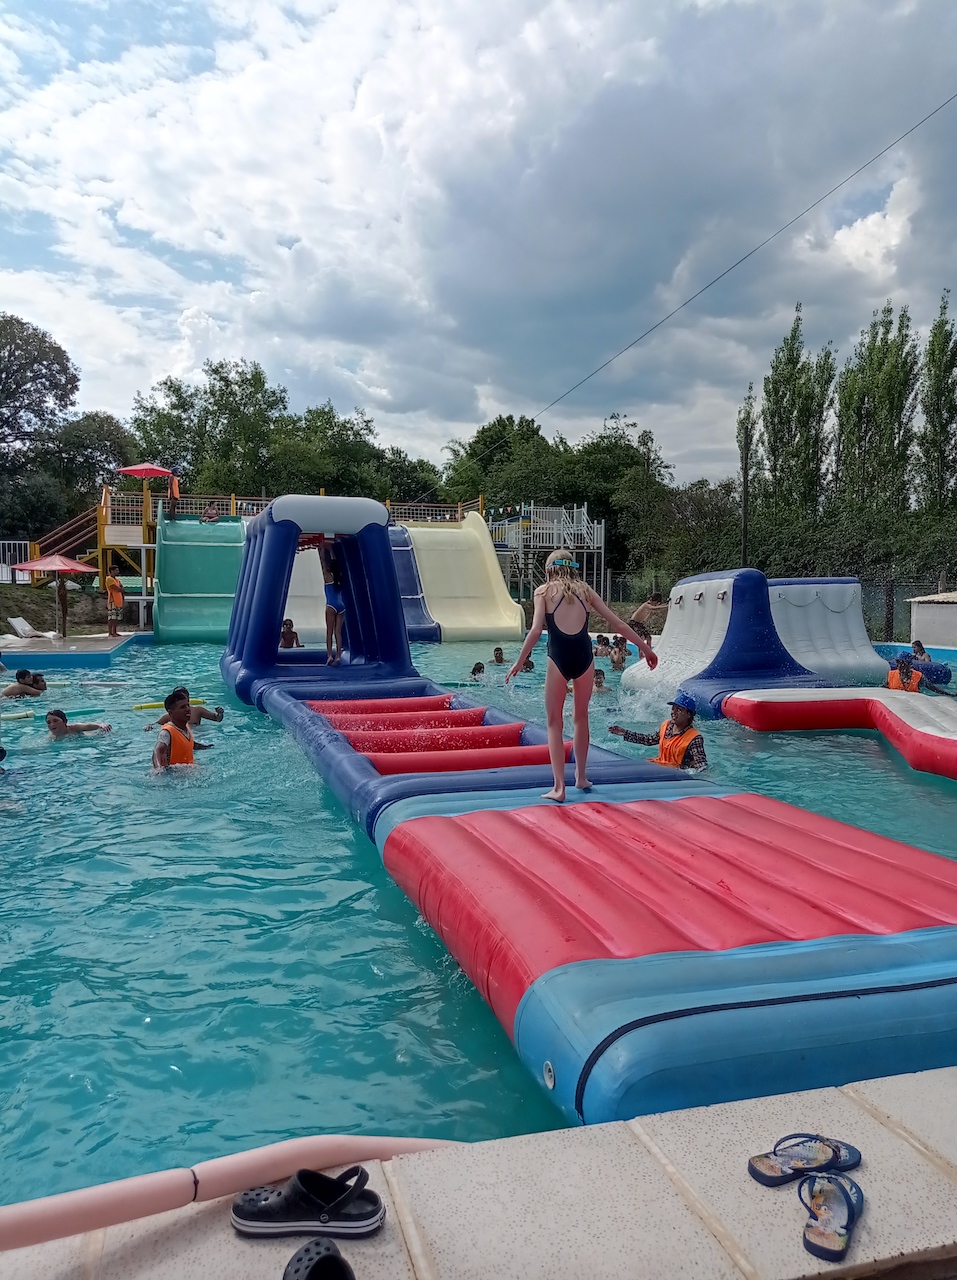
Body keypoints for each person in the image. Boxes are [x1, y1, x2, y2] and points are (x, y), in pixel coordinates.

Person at [507, 548, 657, 802]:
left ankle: (559, 788)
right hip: (584, 658)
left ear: (549, 570)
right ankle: (581, 776)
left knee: (554, 723)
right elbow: (618, 624)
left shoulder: (543, 592)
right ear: (573, 568)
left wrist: (520, 661)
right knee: (581, 718)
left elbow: (535, 631)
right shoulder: (586, 591)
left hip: (558, 658)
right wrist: (646, 649)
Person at [609, 691, 708, 770]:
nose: (673, 712)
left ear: (689, 714)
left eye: (679, 709)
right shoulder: (667, 726)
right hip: (660, 767)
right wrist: (625, 733)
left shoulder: (694, 739)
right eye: (673, 708)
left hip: (676, 775)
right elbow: (648, 740)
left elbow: (701, 766)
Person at [152, 692, 213, 768]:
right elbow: (157, 751)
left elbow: (186, 744)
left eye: (188, 705)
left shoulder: (186, 726)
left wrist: (205, 747)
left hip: (187, 770)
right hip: (173, 773)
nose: (188, 709)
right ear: (171, 713)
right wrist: (158, 770)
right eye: (183, 707)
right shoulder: (166, 732)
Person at [143, 685, 225, 730]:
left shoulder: (197, 710)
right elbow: (154, 725)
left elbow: (217, 719)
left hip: (198, 736)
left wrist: (220, 713)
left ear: (188, 697)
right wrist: (149, 726)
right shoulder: (169, 716)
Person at [886, 654, 957, 697]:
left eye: (903, 663)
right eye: (898, 662)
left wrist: (950, 694)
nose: (899, 665)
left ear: (910, 664)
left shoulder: (918, 677)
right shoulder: (891, 675)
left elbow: (933, 688)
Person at [321, 543, 345, 666]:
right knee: (338, 632)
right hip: (341, 606)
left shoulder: (327, 576)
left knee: (329, 632)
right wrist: (331, 550)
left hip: (331, 605)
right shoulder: (339, 577)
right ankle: (338, 656)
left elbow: (323, 562)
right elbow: (335, 563)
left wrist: (321, 550)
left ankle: (330, 656)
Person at [46, 710, 112, 738]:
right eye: (49, 722)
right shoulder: (51, 738)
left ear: (65, 721)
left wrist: (100, 725)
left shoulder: (74, 728)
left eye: (55, 721)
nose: (52, 724)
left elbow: (87, 726)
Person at [105, 564, 124, 638]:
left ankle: (114, 632)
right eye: (116, 570)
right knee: (111, 617)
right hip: (112, 600)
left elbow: (122, 588)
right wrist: (120, 589)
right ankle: (110, 632)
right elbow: (116, 588)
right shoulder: (109, 579)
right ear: (112, 571)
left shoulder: (117, 580)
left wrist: (120, 589)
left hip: (118, 601)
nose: (118, 571)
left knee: (116, 617)